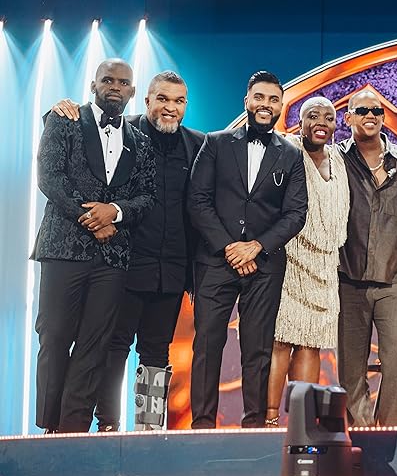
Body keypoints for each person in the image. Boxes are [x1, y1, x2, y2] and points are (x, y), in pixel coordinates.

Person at [50, 71, 204, 431]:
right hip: (122, 265)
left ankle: (148, 431)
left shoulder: (198, 145)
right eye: (162, 99)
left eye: (179, 101)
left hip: (172, 270)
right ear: (146, 100)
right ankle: (108, 424)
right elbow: (80, 136)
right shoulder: (124, 133)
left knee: (157, 351)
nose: (170, 107)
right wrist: (57, 110)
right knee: (113, 346)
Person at [31, 58, 156, 433]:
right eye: (108, 80)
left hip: (112, 258)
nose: (115, 86)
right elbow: (49, 177)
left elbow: (146, 196)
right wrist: (91, 218)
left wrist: (113, 212)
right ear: (93, 85)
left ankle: (73, 430)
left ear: (132, 91)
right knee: (55, 335)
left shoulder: (141, 141)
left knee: (94, 344)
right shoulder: (64, 120)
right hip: (63, 249)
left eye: (123, 82)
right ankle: (48, 427)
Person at [187, 71, 308, 428]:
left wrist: (256, 247)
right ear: (247, 101)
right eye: (259, 97)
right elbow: (197, 201)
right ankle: (202, 426)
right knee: (207, 345)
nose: (265, 105)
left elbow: (296, 213)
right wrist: (229, 248)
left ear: (281, 106)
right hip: (215, 262)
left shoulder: (291, 154)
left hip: (264, 265)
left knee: (258, 349)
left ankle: (253, 426)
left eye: (273, 99)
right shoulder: (216, 143)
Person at [337, 90, 397, 426]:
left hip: (394, 278)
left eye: (376, 110)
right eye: (361, 110)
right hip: (348, 277)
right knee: (350, 366)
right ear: (348, 117)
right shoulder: (336, 159)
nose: (370, 115)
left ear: (384, 117)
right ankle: (361, 432)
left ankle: (390, 433)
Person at [264, 96, 350, 427]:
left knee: (311, 343)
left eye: (328, 118)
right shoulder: (287, 150)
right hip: (290, 258)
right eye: (313, 116)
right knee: (280, 341)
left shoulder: (339, 159)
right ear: (299, 122)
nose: (321, 123)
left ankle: (301, 423)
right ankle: (270, 419)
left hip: (325, 263)